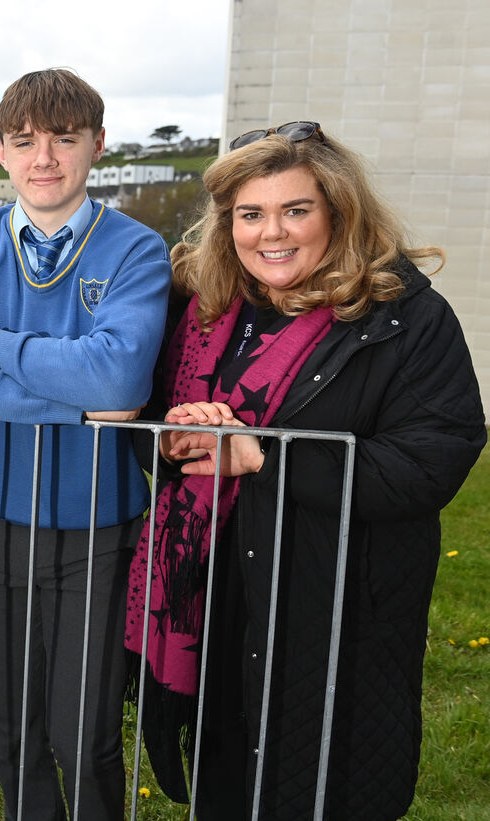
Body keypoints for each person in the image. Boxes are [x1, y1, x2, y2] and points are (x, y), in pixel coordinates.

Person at [124, 123, 486, 820]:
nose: (271, 234)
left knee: (325, 788)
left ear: (338, 212)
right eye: (250, 214)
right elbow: (158, 424)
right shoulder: (205, 311)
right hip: (221, 602)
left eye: (296, 210)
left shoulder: (405, 317)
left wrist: (263, 455)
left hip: (337, 616)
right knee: (226, 785)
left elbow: (432, 459)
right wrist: (171, 445)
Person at [0, 68, 172, 820]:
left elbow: (121, 375)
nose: (46, 158)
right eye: (25, 140)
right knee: (13, 731)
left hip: (100, 523)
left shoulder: (135, 248)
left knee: (84, 732)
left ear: (97, 144)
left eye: (65, 138)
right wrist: (79, 402)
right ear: (0, 150)